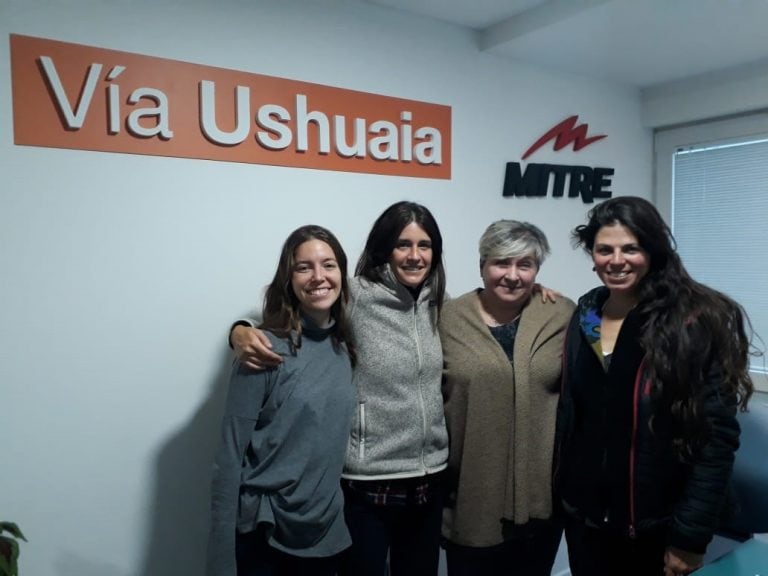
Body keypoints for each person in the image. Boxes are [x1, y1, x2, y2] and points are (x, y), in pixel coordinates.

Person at [231, 201, 449, 576]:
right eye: (403, 244)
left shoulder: (439, 305)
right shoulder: (354, 295)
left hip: (429, 484)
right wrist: (238, 330)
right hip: (368, 484)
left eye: (424, 245)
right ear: (384, 248)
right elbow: (292, 306)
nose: (415, 255)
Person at [554, 196, 754, 576]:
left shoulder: (691, 320)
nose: (616, 260)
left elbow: (716, 441)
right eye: (604, 249)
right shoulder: (589, 312)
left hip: (655, 527)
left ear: (654, 250)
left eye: (631, 248)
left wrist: (689, 538)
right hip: (586, 518)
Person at [207, 225, 356, 576]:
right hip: (265, 530)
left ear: (342, 273)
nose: (318, 277)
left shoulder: (345, 345)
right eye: (304, 267)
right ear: (288, 279)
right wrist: (220, 561)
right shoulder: (263, 350)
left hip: (326, 531)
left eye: (328, 265)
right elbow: (229, 457)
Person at [440, 220, 574, 576]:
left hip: (541, 503)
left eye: (525, 265)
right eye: (502, 263)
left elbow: (609, 347)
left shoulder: (562, 313)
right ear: (482, 264)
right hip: (471, 499)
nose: (512, 275)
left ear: (537, 270)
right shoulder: (447, 318)